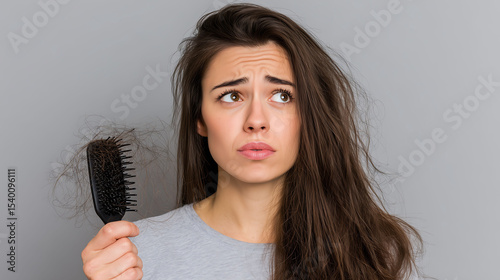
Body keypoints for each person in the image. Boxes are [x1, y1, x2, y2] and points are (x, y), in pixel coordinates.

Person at [81, 3, 423, 279]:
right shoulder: (132, 256)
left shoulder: (368, 252)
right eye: (231, 96)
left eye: (282, 96)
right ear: (200, 119)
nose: (256, 121)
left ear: (310, 116)